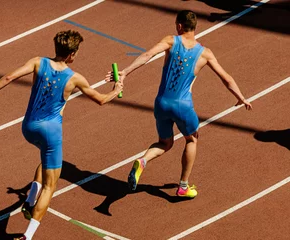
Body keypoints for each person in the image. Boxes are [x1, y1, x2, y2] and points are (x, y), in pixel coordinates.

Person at [0, 30, 123, 240]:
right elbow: (100, 99)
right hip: (51, 132)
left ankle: (29, 201)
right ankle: (27, 236)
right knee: (50, 186)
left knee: (45, 158)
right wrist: (116, 88)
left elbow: (9, 76)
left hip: (28, 127)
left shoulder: (38, 62)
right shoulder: (75, 78)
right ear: (72, 54)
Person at [106, 10, 252, 198]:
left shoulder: (170, 41)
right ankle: (183, 186)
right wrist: (241, 97)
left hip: (161, 103)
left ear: (180, 26)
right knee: (191, 139)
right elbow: (226, 78)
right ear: (194, 27)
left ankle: (143, 161)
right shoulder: (205, 53)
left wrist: (125, 72)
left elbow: (147, 55)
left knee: (164, 142)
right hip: (183, 106)